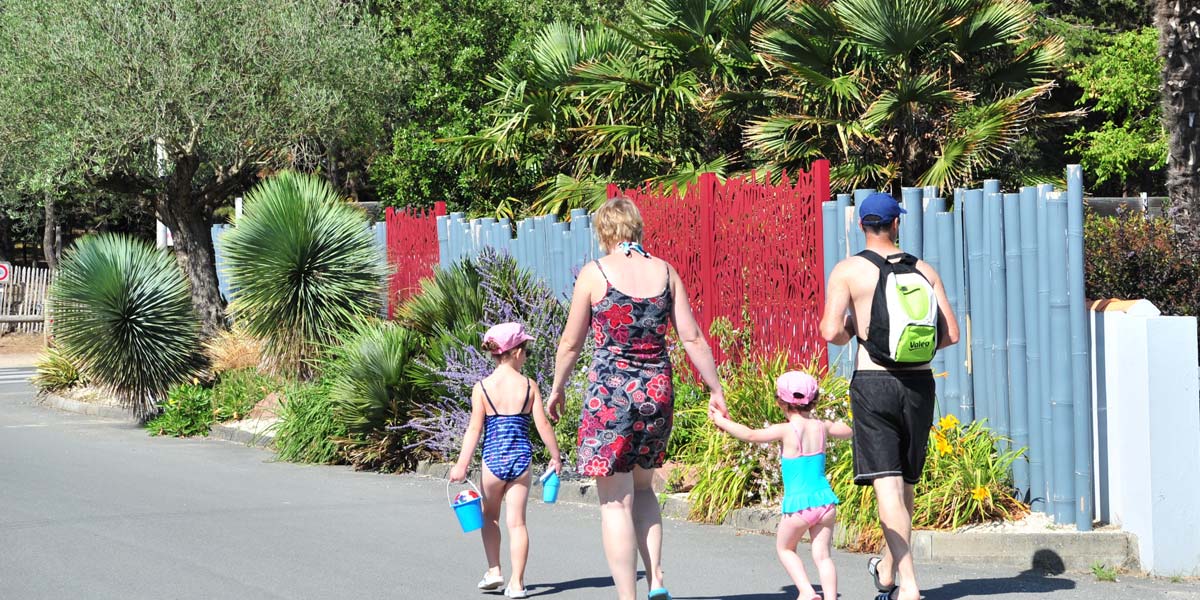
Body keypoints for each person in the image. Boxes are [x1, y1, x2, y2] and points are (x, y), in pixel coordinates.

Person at [546, 197, 726, 600]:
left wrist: (557, 388)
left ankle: (628, 596)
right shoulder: (666, 272)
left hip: (610, 397)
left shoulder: (595, 274)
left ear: (603, 232)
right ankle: (656, 579)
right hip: (656, 392)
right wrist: (715, 389)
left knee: (615, 502)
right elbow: (692, 337)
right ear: (637, 228)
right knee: (644, 489)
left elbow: (571, 343)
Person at [819, 192, 959, 600]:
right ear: (896, 223)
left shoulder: (849, 270)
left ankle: (909, 584)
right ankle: (886, 568)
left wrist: (856, 328)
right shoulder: (923, 270)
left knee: (888, 486)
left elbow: (830, 331)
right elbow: (950, 334)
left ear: (860, 225)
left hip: (873, 383)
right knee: (905, 485)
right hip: (918, 385)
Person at [710, 371, 852, 600]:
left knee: (785, 548)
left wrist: (721, 421)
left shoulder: (786, 430)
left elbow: (751, 435)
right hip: (825, 502)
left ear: (780, 402)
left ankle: (806, 591)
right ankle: (830, 597)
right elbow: (847, 431)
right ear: (814, 400)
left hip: (798, 507)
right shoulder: (821, 426)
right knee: (823, 556)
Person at [449, 322, 563, 599]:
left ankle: (494, 570)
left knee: (490, 518)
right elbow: (543, 425)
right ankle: (517, 583)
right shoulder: (529, 385)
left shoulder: (482, 388)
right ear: (516, 352)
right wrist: (555, 456)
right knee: (518, 524)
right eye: (526, 351)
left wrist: (462, 465)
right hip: (521, 459)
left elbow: (474, 429)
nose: (526, 356)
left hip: (492, 460)